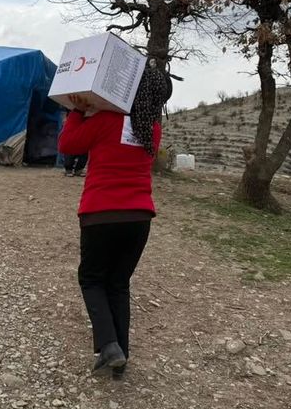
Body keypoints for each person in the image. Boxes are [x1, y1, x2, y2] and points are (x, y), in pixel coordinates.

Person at [58, 65, 171, 380]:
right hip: (139, 218)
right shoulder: (152, 129)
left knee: (92, 280)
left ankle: (109, 345)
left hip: (100, 215)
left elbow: (67, 146)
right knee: (118, 284)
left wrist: (78, 112)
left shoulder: (106, 120)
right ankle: (121, 356)